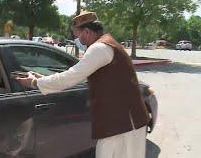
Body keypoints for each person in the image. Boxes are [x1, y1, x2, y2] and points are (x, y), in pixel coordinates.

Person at [15, 11, 149, 158]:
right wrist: (43, 78)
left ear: (87, 31)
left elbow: (71, 77)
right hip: (119, 123)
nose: (77, 39)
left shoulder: (99, 49)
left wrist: (34, 82)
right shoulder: (105, 45)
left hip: (125, 124)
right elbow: (81, 76)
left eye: (78, 35)